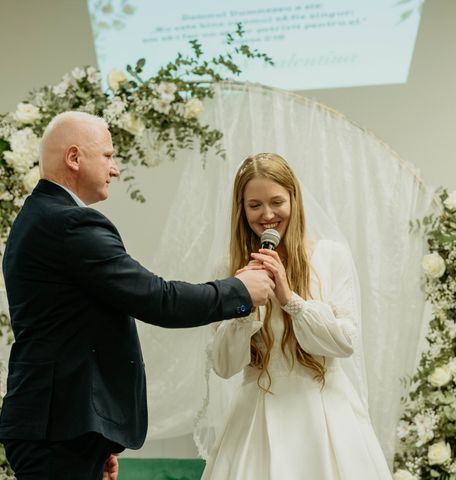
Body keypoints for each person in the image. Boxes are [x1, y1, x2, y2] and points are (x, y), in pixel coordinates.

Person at [0, 111, 274, 479]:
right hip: (59, 433)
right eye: (109, 156)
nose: (115, 169)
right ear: (74, 158)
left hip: (63, 428)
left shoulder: (40, 215)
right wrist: (240, 290)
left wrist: (97, 441)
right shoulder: (70, 223)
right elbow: (158, 299)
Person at [199, 153, 391, 479]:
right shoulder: (229, 270)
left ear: (294, 200)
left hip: (325, 418)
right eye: (255, 205)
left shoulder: (330, 257)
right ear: (242, 210)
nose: (268, 215)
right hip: (256, 417)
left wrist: (290, 299)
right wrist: (244, 306)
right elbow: (224, 365)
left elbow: (345, 342)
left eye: (277, 202)